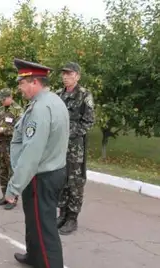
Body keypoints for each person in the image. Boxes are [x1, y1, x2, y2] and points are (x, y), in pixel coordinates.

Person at [6, 58, 69, 268]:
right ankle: (34, 256)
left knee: (44, 228)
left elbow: (31, 153)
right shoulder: (54, 100)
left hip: (41, 175)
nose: (20, 88)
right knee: (34, 221)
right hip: (52, 170)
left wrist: (14, 187)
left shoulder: (41, 108)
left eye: (22, 83)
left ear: (34, 82)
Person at [56, 62, 95, 235]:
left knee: (75, 183)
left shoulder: (84, 95)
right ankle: (62, 214)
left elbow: (88, 121)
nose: (65, 76)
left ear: (77, 76)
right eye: (63, 74)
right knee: (61, 180)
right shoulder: (58, 95)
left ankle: (72, 218)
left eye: (69, 74)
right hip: (58, 146)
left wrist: (70, 133)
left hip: (74, 147)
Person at [0, 88, 23, 210]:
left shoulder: (18, 111)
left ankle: (12, 198)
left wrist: (3, 130)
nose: (2, 102)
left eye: (4, 99)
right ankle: (5, 196)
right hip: (1, 146)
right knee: (2, 171)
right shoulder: (0, 110)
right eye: (1, 100)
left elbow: (20, 130)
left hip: (12, 146)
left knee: (12, 173)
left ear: (10, 97)